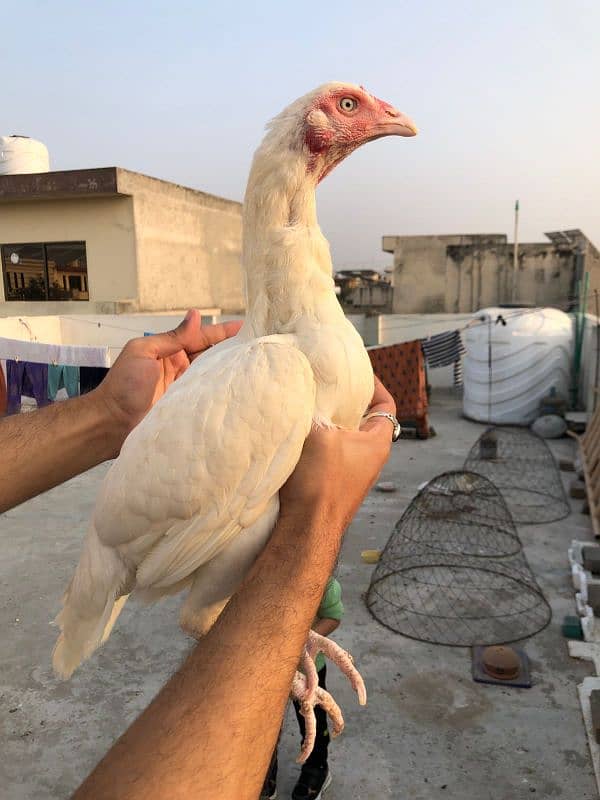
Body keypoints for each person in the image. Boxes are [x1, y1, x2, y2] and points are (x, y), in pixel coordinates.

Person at [0, 309, 396, 800]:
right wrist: (318, 522)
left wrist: (111, 414)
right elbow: (198, 603)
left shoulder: (271, 356)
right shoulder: (273, 367)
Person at [261, 576, 344, 800]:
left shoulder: (324, 582)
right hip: (263, 668)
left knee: (312, 722)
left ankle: (317, 768)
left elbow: (333, 617)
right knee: (264, 725)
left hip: (308, 669)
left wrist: (302, 643)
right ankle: (264, 773)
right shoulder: (257, 573)